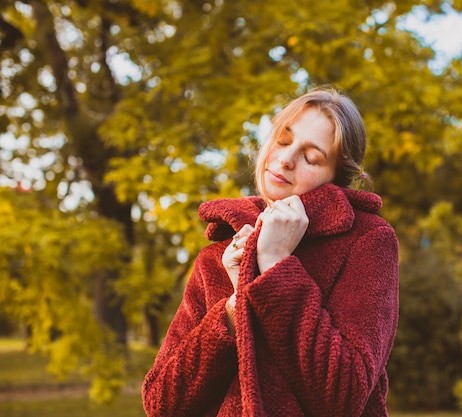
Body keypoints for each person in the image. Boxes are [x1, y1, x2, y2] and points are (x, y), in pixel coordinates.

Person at [142, 87, 399, 417]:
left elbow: (343, 398)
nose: (286, 159)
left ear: (337, 176)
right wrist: (234, 309)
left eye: (311, 157)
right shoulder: (220, 253)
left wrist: (277, 266)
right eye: (282, 139)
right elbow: (160, 403)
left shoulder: (367, 241)